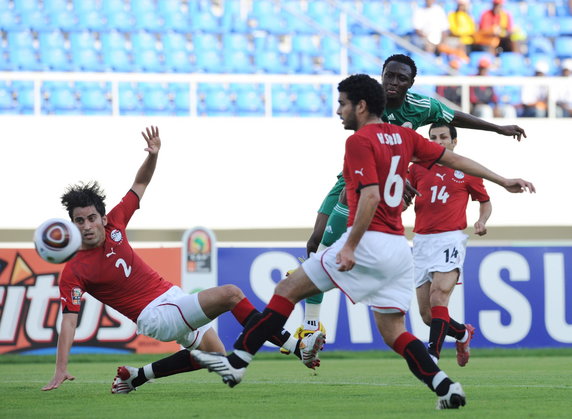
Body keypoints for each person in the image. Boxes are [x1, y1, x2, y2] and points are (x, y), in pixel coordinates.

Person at [191, 74, 535, 410]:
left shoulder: (357, 142)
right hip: (398, 249)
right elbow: (454, 159)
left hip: (368, 240)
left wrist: (351, 244)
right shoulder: (402, 136)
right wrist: (503, 180)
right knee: (394, 331)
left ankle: (237, 361)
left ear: (361, 105)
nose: (338, 110)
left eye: (342, 104)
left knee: (287, 290)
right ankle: (445, 386)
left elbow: (369, 195)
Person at [41, 126, 314, 393]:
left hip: (171, 295)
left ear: (102, 218)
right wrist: (60, 367)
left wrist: (153, 155)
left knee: (216, 356)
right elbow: (69, 321)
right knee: (231, 294)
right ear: (72, 225)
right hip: (155, 315)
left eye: (91, 218)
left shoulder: (116, 223)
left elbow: (140, 183)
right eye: (79, 221)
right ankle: (296, 348)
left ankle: (136, 376)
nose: (87, 226)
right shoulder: (74, 270)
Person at [293, 53, 526, 345]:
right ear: (382, 74)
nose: (393, 82)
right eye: (389, 75)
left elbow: (455, 118)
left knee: (328, 253)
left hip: (383, 181)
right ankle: (312, 323)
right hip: (355, 173)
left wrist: (497, 129)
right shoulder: (368, 102)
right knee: (314, 242)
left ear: (411, 82)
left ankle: (312, 324)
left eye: (401, 78)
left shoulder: (421, 106)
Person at [405, 122, 492, 367]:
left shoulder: (467, 170)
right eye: (433, 137)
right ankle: (463, 333)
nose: (438, 141)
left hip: (450, 238)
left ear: (454, 141)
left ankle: (432, 354)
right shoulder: (417, 168)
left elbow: (485, 201)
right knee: (427, 315)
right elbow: (405, 198)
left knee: (438, 295)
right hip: (421, 241)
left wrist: (481, 220)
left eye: (444, 137)